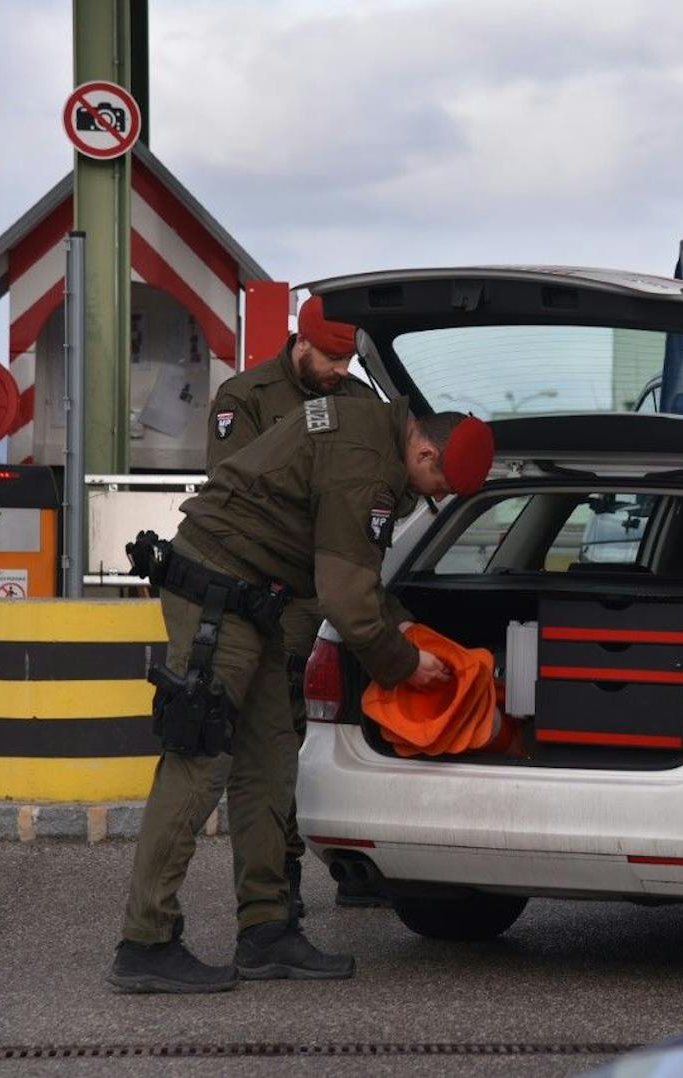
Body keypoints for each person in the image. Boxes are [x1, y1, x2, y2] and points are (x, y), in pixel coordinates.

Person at [108, 383, 494, 994]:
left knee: (267, 758)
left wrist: (402, 621)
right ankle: (146, 941)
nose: (437, 498)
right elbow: (344, 596)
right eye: (442, 487)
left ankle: (267, 931)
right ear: (425, 456)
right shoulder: (370, 465)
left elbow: (345, 560)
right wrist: (401, 662)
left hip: (252, 598)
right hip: (216, 593)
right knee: (200, 758)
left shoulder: (371, 430)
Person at [206, 296, 383, 915]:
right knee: (280, 739)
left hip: (346, 588)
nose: (341, 369)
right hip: (279, 598)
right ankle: (282, 879)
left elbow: (388, 494)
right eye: (332, 357)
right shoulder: (246, 398)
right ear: (299, 343)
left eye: (348, 358)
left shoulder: (361, 402)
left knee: (357, 733)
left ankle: (363, 862)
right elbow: (241, 497)